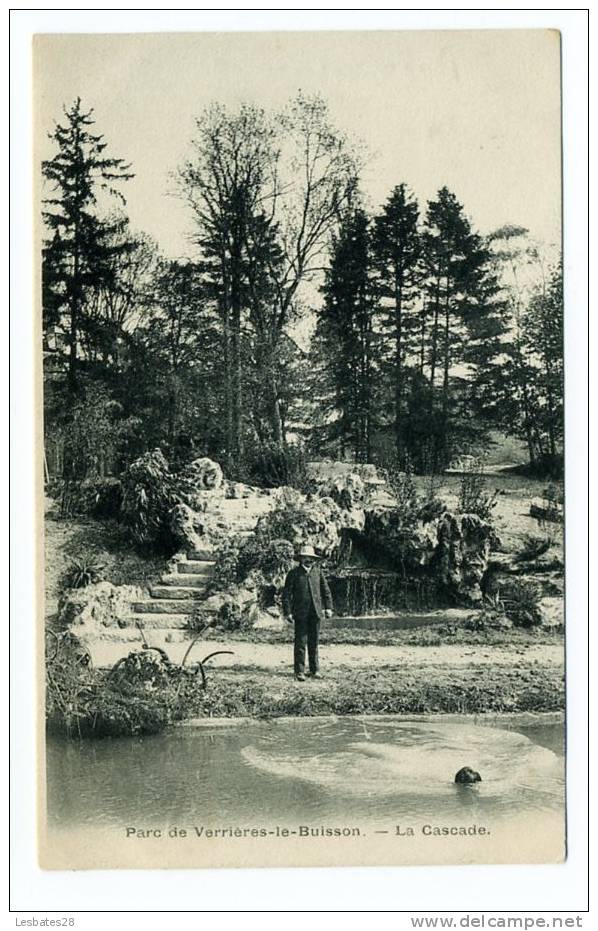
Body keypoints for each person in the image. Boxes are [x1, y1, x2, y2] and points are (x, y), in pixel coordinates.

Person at [282, 544, 334, 682]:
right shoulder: (294, 574)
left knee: (314, 642)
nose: (309, 560)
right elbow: (286, 595)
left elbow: (326, 590)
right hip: (300, 613)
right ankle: (299, 672)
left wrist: (328, 607)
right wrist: (287, 612)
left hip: (316, 612)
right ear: (301, 559)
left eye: (311, 558)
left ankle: (314, 670)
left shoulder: (318, 572)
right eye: (306, 558)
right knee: (300, 642)